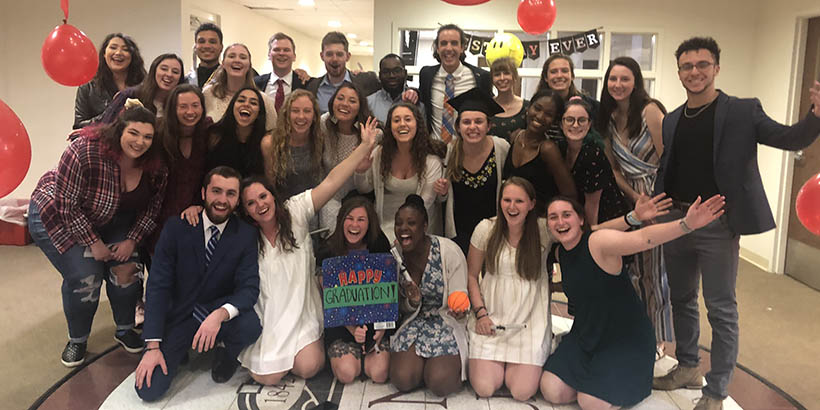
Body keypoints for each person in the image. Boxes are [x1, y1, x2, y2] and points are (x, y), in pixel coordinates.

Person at [652, 37, 820, 410]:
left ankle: (716, 390)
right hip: (677, 220)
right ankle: (689, 366)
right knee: (681, 298)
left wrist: (816, 116)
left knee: (721, 307)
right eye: (687, 66)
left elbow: (789, 136)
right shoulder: (673, 119)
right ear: (679, 71)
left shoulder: (743, 111)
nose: (694, 72)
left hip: (717, 224)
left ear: (716, 67)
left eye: (702, 64)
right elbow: (671, 166)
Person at [541, 194, 724, 409]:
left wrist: (686, 224)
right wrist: (633, 216)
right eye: (553, 217)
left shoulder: (598, 243)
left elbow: (644, 238)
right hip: (587, 335)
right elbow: (584, 280)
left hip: (626, 339)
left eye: (566, 215)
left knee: (590, 402)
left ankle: (620, 379)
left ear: (580, 219)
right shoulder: (562, 252)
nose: (560, 222)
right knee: (552, 390)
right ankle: (597, 378)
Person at [237, 117, 379, 385]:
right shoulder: (247, 237)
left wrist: (364, 146)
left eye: (263, 197)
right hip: (270, 317)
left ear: (273, 196)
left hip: (302, 312)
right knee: (266, 377)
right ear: (246, 211)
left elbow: (333, 180)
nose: (260, 205)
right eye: (251, 203)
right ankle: (278, 357)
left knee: (309, 367)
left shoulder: (295, 211)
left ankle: (304, 348)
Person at [29, 104, 167, 367]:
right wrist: (94, 243)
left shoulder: (156, 166)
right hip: (57, 213)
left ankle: (125, 329)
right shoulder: (84, 150)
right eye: (134, 133)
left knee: (127, 270)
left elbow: (152, 208)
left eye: (148, 137)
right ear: (119, 130)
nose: (140, 142)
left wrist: (132, 240)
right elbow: (66, 204)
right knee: (86, 276)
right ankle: (77, 339)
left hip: (110, 218)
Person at [134, 166, 262, 401]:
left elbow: (249, 287)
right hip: (180, 316)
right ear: (203, 193)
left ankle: (225, 351)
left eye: (231, 194)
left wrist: (219, 315)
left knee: (250, 325)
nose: (222, 200)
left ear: (238, 200)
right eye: (216, 191)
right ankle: (179, 348)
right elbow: (158, 286)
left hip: (215, 310)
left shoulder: (245, 235)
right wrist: (153, 345)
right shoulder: (176, 228)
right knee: (148, 390)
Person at [595, 56, 673, 354]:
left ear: (636, 81)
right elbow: (614, 169)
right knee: (634, 269)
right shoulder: (608, 118)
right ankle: (635, 329)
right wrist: (634, 198)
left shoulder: (650, 111)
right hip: (630, 200)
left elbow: (668, 157)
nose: (618, 85)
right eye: (613, 79)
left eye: (624, 79)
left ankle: (656, 339)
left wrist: (654, 201)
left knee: (655, 270)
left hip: (659, 197)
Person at [466, 177, 552, 401]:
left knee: (521, 392)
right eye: (507, 200)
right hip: (490, 318)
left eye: (519, 201)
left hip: (529, 322)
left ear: (531, 204)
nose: (512, 207)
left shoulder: (544, 229)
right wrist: (480, 314)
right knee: (484, 388)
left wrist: (632, 218)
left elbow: (586, 229)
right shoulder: (486, 228)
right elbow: (472, 276)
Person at [389, 194, 468, 397]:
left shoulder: (449, 251)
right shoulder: (394, 256)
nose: (403, 228)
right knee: (402, 379)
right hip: (414, 323)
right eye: (399, 223)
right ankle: (422, 365)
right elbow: (397, 308)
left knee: (440, 383)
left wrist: (460, 312)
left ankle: (436, 366)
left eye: (411, 223)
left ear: (425, 226)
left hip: (445, 322)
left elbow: (461, 299)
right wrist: (411, 301)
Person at [317, 195, 392, 384]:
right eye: (349, 218)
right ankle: (352, 355)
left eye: (361, 219)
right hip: (342, 323)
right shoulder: (327, 252)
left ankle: (368, 354)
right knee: (348, 373)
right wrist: (352, 329)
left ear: (369, 224)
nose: (354, 225)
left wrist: (381, 329)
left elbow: (388, 291)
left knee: (378, 373)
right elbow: (330, 298)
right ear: (341, 220)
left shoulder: (379, 245)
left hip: (375, 321)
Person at [354, 103, 444, 243]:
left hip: (418, 231)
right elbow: (364, 188)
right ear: (390, 127)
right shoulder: (379, 154)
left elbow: (425, 203)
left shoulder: (432, 161)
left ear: (417, 124)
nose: (402, 124)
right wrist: (360, 171)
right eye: (396, 120)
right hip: (383, 229)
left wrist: (403, 235)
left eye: (408, 119)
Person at [434, 88, 510, 253]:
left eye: (479, 121)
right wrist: (442, 192)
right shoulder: (451, 151)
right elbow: (443, 200)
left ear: (489, 125)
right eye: (466, 122)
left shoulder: (501, 148)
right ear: (458, 127)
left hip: (494, 231)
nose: (472, 127)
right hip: (460, 234)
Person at [147, 84, 212, 252]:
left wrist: (200, 204)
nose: (190, 112)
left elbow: (212, 173)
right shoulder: (158, 132)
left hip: (196, 214)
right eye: (183, 106)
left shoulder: (208, 131)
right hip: (159, 216)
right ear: (172, 109)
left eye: (195, 105)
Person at [503, 88, 576, 215]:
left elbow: (570, 194)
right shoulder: (515, 136)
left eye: (548, 114)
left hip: (538, 222)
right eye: (537, 108)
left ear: (554, 121)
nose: (540, 116)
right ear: (528, 108)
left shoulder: (548, 149)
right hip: (513, 217)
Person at [560, 99, 630, 225]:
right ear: (561, 123)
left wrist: (588, 239)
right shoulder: (561, 148)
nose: (575, 125)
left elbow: (592, 206)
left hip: (608, 221)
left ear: (589, 124)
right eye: (570, 119)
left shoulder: (592, 154)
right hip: (581, 218)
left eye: (582, 120)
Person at [319, 82, 377, 233]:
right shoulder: (323, 124)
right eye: (340, 98)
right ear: (333, 101)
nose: (345, 104)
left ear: (360, 107)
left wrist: (361, 171)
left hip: (356, 205)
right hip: (325, 199)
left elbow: (366, 189)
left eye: (352, 101)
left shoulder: (372, 135)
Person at [419, 24, 492, 142]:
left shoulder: (480, 77)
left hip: (467, 149)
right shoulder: (426, 75)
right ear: (437, 48)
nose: (448, 48)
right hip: (434, 149)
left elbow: (487, 113)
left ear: (462, 47)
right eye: (443, 43)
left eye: (454, 43)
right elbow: (421, 101)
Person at [74, 33, 145, 129]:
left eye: (125, 49)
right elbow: (78, 126)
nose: (118, 53)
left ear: (132, 56)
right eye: (113, 47)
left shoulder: (145, 84)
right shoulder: (88, 86)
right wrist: (114, 111)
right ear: (104, 53)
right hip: (99, 142)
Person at [264, 89, 324, 200]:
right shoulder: (270, 143)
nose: (301, 116)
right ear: (287, 113)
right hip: (283, 207)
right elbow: (270, 186)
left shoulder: (320, 139)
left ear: (314, 116)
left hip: (314, 204)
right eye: (295, 111)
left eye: (307, 111)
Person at [202, 43, 277, 130]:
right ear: (223, 63)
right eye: (232, 56)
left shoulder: (263, 100)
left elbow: (273, 134)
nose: (237, 60)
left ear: (249, 65)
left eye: (243, 57)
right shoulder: (208, 93)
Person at [205, 86, 272, 179]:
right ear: (232, 106)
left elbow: (269, 181)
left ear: (259, 112)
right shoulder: (214, 134)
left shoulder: (265, 142)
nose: (246, 105)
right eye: (241, 100)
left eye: (253, 103)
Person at [307, 32, 381, 114]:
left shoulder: (366, 82)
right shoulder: (312, 86)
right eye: (329, 54)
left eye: (339, 54)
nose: (334, 59)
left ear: (348, 56)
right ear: (322, 56)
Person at [100, 54, 184, 122]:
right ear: (154, 71)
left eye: (175, 72)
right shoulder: (129, 95)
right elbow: (106, 126)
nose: (169, 74)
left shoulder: (179, 105)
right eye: (164, 69)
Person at [535, 54, 600, 139]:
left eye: (564, 71)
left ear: (572, 76)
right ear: (546, 77)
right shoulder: (537, 106)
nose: (559, 75)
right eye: (553, 72)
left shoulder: (592, 106)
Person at [254, 32, 309, 113]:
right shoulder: (256, 83)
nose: (281, 53)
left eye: (286, 50)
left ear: (294, 56)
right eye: (276, 49)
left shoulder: (306, 84)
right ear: (269, 55)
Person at [367, 53, 423, 125]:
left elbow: (423, 134)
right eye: (386, 72)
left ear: (405, 73)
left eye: (397, 71)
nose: (392, 76)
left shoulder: (417, 104)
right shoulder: (368, 104)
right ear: (380, 76)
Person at [488, 57, 528, 142]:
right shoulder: (485, 107)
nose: (502, 78)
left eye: (506, 73)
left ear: (514, 76)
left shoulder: (528, 107)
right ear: (492, 79)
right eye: (497, 74)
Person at [185, 22, 224, 89]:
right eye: (201, 41)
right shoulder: (186, 81)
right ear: (195, 47)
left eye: (212, 42)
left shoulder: (228, 79)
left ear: (221, 47)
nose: (207, 46)